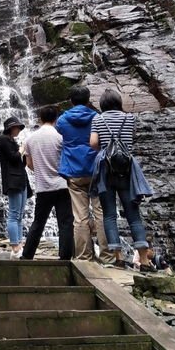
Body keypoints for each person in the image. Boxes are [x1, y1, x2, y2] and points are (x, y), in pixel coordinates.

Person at [90, 89, 152, 272]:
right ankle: (144, 260)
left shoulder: (98, 119)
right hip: (126, 169)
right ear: (118, 101)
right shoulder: (129, 118)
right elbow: (130, 140)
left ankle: (118, 259)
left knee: (109, 215)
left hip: (105, 171)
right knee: (133, 215)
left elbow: (93, 143)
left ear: (102, 104)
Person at [56, 85, 114, 266]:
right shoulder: (97, 118)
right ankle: (108, 256)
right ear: (89, 100)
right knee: (101, 212)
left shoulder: (62, 120)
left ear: (71, 101)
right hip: (96, 170)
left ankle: (84, 257)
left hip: (74, 171)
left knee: (80, 217)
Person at [22, 106, 74, 261]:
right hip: (62, 185)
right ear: (56, 118)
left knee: (38, 222)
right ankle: (65, 256)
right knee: (65, 223)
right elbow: (67, 160)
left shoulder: (30, 139)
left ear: (40, 118)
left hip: (43, 187)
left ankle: (27, 255)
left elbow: (29, 164)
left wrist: (41, 170)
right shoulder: (60, 137)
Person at [0, 115, 30, 259]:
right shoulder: (3, 140)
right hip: (13, 181)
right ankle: (15, 246)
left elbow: (21, 163)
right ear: (11, 128)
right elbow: (14, 158)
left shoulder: (12, 141)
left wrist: (23, 151)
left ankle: (19, 244)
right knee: (14, 214)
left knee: (20, 215)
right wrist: (22, 148)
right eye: (17, 127)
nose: (19, 130)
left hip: (21, 180)